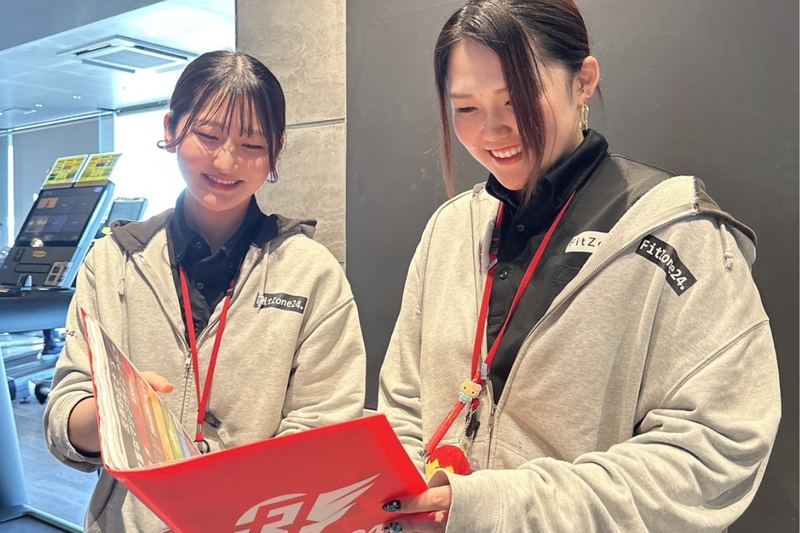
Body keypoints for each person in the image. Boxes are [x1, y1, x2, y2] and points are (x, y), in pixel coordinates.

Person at [377, 1, 781, 531]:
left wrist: (498, 508)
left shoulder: (677, 232)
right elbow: (404, 403)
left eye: (517, 98)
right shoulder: (449, 229)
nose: (493, 130)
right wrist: (405, 503)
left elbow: (716, 448)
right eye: (467, 108)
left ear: (583, 82)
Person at [44, 50, 367, 533]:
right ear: (172, 128)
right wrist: (113, 413)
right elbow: (65, 410)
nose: (226, 161)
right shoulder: (113, 262)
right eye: (209, 136)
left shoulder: (310, 271)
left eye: (252, 144)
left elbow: (326, 425)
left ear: (276, 150)